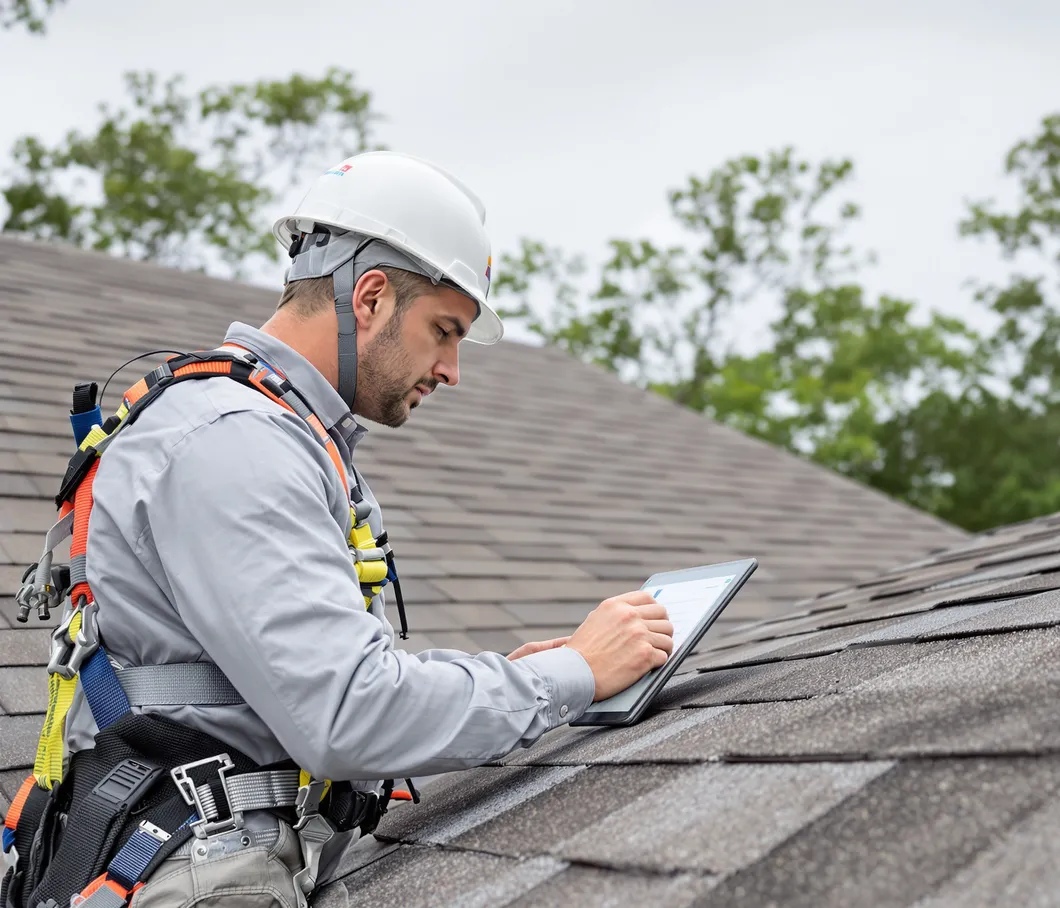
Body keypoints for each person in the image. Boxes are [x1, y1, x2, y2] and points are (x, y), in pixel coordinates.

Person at [2, 152, 673, 908]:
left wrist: (505, 679)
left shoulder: (256, 423)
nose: (451, 369)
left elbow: (301, 678)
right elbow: (349, 713)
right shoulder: (234, 439)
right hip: (209, 876)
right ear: (373, 297)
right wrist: (571, 676)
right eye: (444, 331)